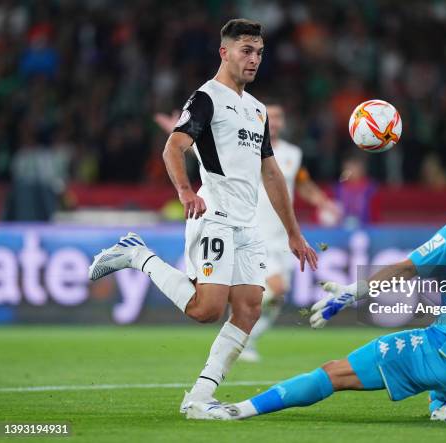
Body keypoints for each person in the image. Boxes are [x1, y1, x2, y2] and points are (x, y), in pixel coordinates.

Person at [190, 162, 446, 422]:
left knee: (334, 372)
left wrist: (352, 291)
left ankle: (237, 411)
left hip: (445, 354)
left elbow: (406, 267)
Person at [88, 19, 318, 414]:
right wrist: (185, 192)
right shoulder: (207, 98)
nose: (254, 59)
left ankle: (199, 398)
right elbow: (173, 148)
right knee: (206, 310)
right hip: (215, 217)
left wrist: (293, 233)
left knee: (248, 309)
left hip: (248, 225)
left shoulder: (257, 110)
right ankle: (135, 254)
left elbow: (271, 172)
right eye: (246, 50)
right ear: (224, 52)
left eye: (259, 52)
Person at [154, 102, 340, 362]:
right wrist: (177, 133)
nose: (273, 122)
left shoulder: (292, 154)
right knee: (276, 287)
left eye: (278, 118)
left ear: (282, 123)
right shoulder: (245, 145)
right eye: (270, 117)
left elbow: (303, 184)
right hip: (251, 228)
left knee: (277, 297)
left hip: (279, 235)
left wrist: (323, 202)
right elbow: (212, 158)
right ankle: (235, 316)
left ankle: (245, 340)